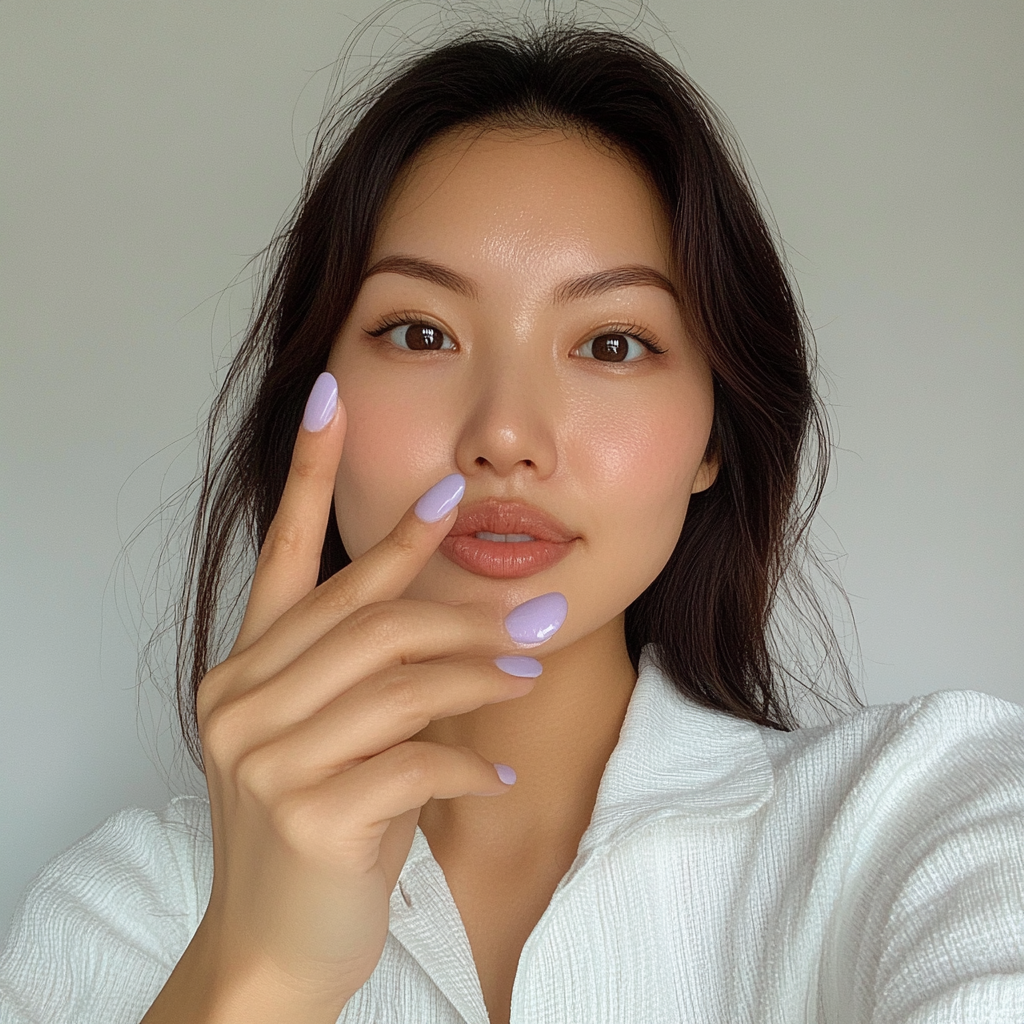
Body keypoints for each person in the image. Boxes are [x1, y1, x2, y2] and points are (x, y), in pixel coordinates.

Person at [2, 17, 1023, 1024]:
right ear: (315, 399)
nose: (502, 434)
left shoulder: (923, 813)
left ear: (715, 433)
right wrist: (257, 973)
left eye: (613, 344)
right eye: (419, 331)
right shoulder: (126, 910)